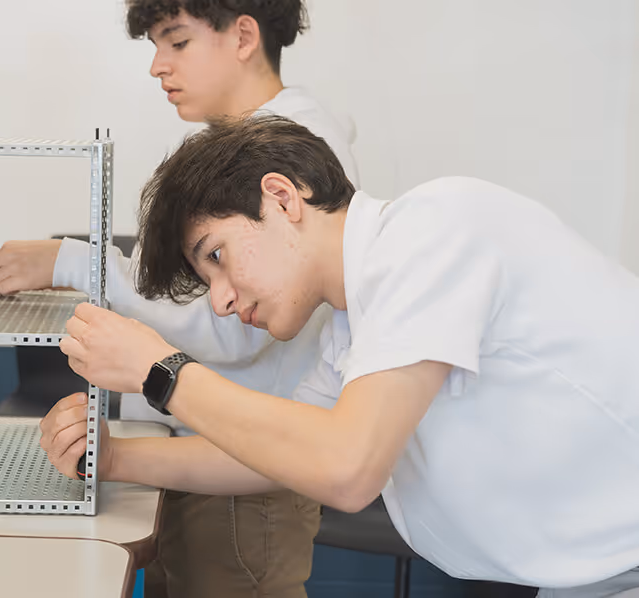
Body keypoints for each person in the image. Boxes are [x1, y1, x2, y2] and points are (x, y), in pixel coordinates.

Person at [43, 115, 639, 597]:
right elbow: (274, 459)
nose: (220, 302)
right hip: (592, 572)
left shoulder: (434, 232)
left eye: (218, 256)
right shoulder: (354, 324)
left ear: (280, 198)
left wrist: (161, 372)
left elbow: (347, 470)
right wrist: (114, 456)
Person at [0, 1, 358, 596]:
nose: (158, 65)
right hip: (197, 455)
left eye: (176, 42)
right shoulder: (238, 147)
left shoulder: (295, 146)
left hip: (241, 487)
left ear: (243, 36)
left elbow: (231, 331)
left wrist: (75, 261)